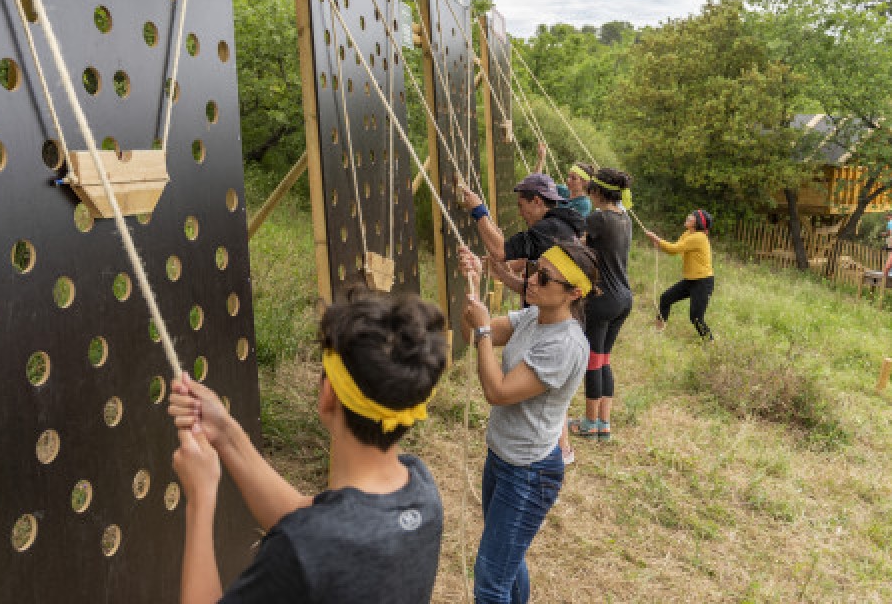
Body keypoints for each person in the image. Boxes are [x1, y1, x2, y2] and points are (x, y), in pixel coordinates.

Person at [168, 292, 450, 604]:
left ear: (328, 393)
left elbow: (312, 538)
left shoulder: (302, 548)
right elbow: (313, 517)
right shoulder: (422, 493)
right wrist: (224, 432)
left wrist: (201, 497)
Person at [458, 241, 596, 604]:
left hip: (529, 473)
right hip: (503, 458)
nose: (531, 279)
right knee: (505, 561)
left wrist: (484, 330)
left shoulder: (566, 344)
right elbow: (474, 334)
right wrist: (471, 285)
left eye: (545, 277)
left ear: (573, 293)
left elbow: (498, 391)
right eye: (535, 268)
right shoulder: (534, 316)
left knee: (490, 583)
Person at [568, 168, 634, 443]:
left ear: (595, 191)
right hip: (623, 299)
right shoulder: (624, 218)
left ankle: (589, 423)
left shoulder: (598, 218)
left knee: (593, 362)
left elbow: (576, 244)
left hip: (602, 298)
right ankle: (603, 424)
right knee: (604, 359)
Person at [459, 173, 585, 301]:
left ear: (537, 201)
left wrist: (478, 210)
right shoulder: (558, 228)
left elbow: (499, 251)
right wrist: (502, 274)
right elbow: (534, 291)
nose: (520, 213)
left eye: (521, 205)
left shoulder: (548, 230)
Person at [645, 210, 716, 341]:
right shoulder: (687, 234)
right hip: (690, 280)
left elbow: (674, 248)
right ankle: (658, 330)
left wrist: (657, 239)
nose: (688, 217)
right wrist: (659, 244)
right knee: (665, 298)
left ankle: (710, 341)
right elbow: (674, 249)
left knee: (695, 317)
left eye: (692, 216)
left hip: (703, 282)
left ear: (698, 222)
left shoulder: (699, 237)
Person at [531, 143, 593, 217]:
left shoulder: (584, 204)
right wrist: (541, 159)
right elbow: (536, 182)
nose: (568, 180)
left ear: (584, 182)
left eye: (573, 178)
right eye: (568, 176)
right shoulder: (562, 190)